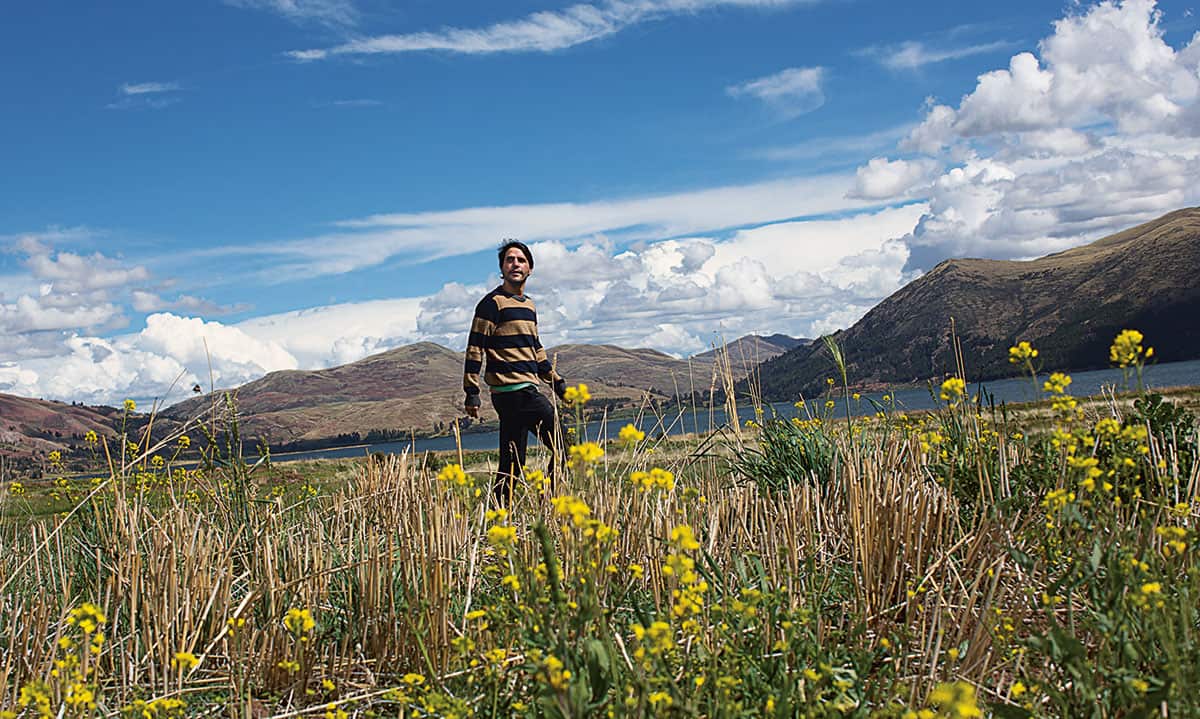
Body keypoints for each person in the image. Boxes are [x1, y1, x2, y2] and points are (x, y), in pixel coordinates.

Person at [464, 240, 567, 505]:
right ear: (502, 267)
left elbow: (535, 350)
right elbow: (475, 348)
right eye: (509, 260)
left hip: (521, 392)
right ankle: (548, 501)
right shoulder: (491, 304)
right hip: (515, 393)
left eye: (521, 260)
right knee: (567, 447)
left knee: (513, 463)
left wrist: (557, 383)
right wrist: (472, 392)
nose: (515, 264)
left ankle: (500, 516)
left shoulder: (529, 306)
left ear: (530, 268)